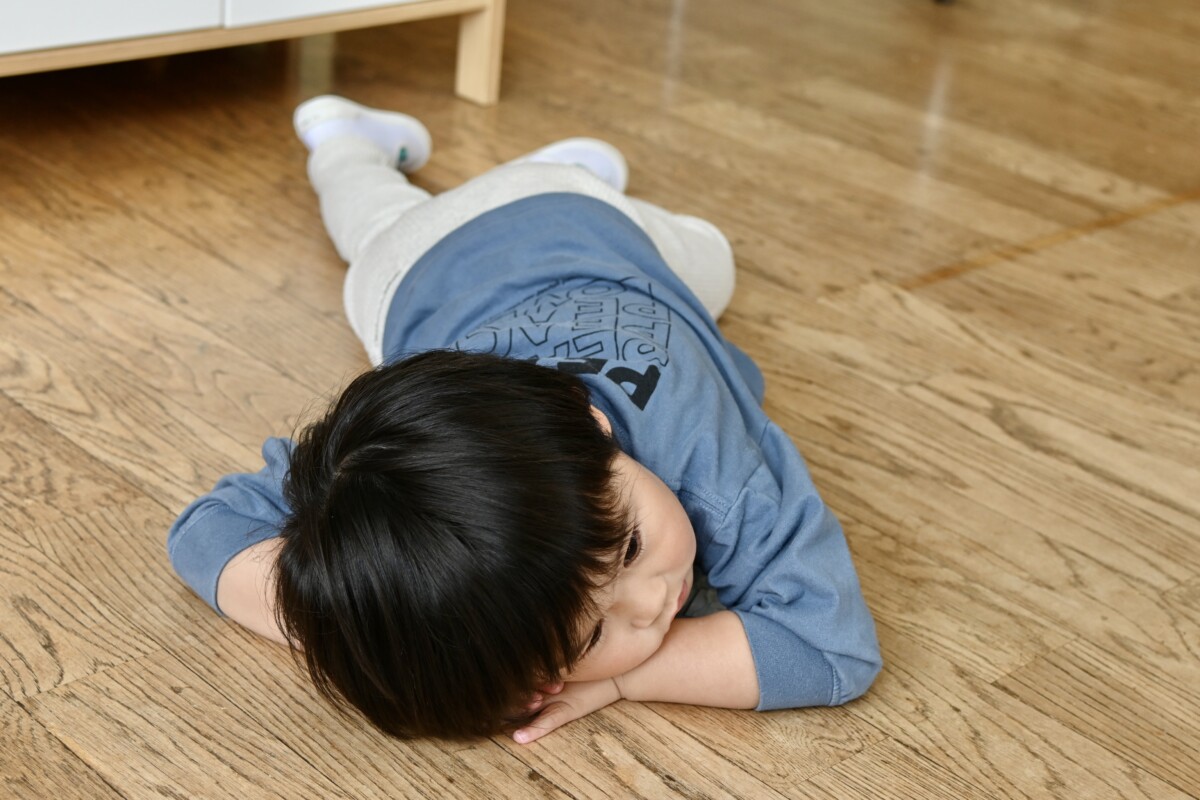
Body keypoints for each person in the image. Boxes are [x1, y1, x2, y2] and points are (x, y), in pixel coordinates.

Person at [166, 95, 882, 744]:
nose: (655, 603)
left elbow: (829, 646)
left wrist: (624, 677)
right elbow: (202, 533)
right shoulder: (394, 448)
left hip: (587, 220)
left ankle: (551, 169)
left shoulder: (706, 456)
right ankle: (338, 139)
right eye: (592, 638)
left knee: (712, 260)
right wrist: (382, 612)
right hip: (418, 257)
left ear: (596, 427)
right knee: (372, 220)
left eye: (631, 546)